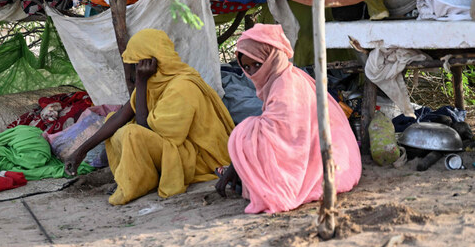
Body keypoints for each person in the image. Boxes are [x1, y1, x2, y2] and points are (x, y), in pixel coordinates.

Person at [64, 29, 235, 205]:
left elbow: (144, 129)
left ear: (152, 61)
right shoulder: (155, 82)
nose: (134, 69)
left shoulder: (182, 87)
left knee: (132, 133)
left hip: (198, 159)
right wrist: (80, 151)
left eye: (136, 63)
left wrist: (141, 81)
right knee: (112, 122)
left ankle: (137, 185)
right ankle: (136, 178)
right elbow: (120, 117)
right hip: (175, 151)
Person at [216, 24, 361, 214]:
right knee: (253, 130)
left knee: (247, 130)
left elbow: (288, 142)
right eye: (247, 67)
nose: (252, 73)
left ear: (272, 58)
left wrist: (238, 162)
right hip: (328, 156)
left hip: (331, 164)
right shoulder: (284, 77)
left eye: (258, 64)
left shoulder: (286, 85)